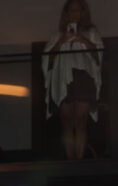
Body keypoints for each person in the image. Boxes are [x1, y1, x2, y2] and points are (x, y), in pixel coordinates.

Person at [42, 0, 104, 160]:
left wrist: (83, 39)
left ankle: (80, 163)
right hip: (63, 79)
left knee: (81, 120)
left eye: (77, 11)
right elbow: (47, 60)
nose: (74, 14)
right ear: (66, 14)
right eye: (71, 11)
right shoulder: (57, 35)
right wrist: (62, 41)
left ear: (83, 13)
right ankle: (70, 162)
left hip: (83, 78)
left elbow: (99, 56)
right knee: (67, 121)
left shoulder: (91, 33)